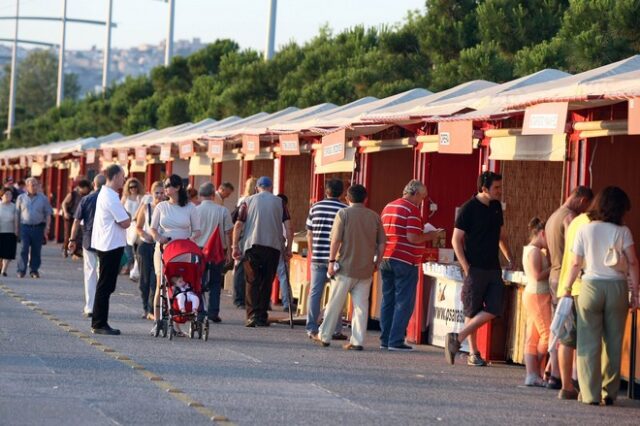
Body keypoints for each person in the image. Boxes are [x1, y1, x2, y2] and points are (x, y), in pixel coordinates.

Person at [562, 186, 639, 406]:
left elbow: (576, 263)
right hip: (616, 287)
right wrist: (634, 292)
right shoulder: (622, 231)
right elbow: (632, 262)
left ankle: (590, 394)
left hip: (590, 287)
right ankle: (609, 392)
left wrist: (567, 288)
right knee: (613, 342)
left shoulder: (584, 230)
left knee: (587, 342)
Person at [446, 171, 514, 366]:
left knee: (494, 308)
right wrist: (466, 266)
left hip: (493, 266)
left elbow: (502, 235)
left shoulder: (496, 207)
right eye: (497, 187)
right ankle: (473, 353)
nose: (500, 191)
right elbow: (456, 240)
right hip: (475, 267)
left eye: (500, 187)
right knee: (472, 310)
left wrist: (509, 257)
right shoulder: (468, 209)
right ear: (484, 189)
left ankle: (457, 338)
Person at [312, 185, 386, 350]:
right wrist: (377, 262)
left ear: (347, 198)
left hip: (345, 267)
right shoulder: (374, 216)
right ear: (365, 199)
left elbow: (336, 240)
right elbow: (382, 243)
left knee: (335, 303)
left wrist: (331, 261)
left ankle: (324, 336)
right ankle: (357, 340)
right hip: (366, 269)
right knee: (361, 306)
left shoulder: (343, 214)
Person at [379, 180, 444, 351]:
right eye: (422, 198)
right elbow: (413, 238)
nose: (421, 202)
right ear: (415, 194)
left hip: (386, 256)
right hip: (405, 260)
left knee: (388, 300)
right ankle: (396, 340)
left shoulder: (388, 207)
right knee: (404, 301)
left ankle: (385, 339)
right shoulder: (412, 210)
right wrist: (431, 235)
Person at [544, 186, 593, 389]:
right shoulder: (570, 218)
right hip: (567, 279)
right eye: (587, 206)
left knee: (559, 326)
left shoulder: (552, 217)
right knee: (568, 331)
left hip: (554, 276)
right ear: (582, 200)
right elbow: (576, 252)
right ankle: (564, 376)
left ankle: (552, 371)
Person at [232, 176, 292, 327]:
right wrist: (288, 249)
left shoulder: (248, 201)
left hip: (252, 246)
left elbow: (238, 224)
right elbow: (289, 227)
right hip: (273, 247)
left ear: (257, 187)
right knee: (266, 282)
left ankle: (252, 316)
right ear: (271, 188)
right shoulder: (280, 203)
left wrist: (234, 246)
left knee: (252, 281)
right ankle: (262, 315)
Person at [149, 174, 201, 333]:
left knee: (180, 284)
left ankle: (178, 322)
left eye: (168, 186)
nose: (165, 189)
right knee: (160, 284)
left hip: (183, 249)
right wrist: (159, 237)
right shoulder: (161, 206)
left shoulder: (190, 207)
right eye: (165, 186)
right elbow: (153, 228)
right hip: (164, 248)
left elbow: (197, 230)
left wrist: (189, 240)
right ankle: (158, 321)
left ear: (178, 187)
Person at [305, 178, 348, 339]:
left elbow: (309, 233)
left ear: (326, 190)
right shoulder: (344, 209)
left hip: (317, 256)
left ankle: (311, 327)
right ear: (342, 192)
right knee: (336, 294)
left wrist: (312, 252)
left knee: (315, 292)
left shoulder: (315, 208)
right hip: (337, 259)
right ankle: (335, 329)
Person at [90, 165, 131, 335]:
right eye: (122, 176)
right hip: (110, 245)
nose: (124, 179)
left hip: (108, 243)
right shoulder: (110, 197)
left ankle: (99, 321)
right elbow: (125, 222)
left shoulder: (108, 194)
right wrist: (127, 217)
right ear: (114, 177)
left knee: (106, 285)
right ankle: (99, 323)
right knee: (105, 286)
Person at [555, 212, 591, 400]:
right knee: (585, 340)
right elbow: (579, 261)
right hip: (581, 287)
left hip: (566, 286)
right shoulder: (591, 223)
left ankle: (566, 385)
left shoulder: (575, 221)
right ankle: (583, 386)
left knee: (567, 339)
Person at [69, 174, 107, 318]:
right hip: (105, 241)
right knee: (101, 273)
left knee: (90, 273)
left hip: (89, 239)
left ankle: (90, 306)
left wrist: (72, 240)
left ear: (93, 184)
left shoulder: (86, 199)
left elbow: (76, 222)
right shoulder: (110, 199)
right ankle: (100, 306)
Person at [195, 182, 233, 323]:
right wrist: (229, 251)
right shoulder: (222, 211)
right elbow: (228, 232)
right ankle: (213, 312)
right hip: (217, 250)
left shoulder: (195, 210)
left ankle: (199, 311)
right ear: (213, 195)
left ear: (200, 195)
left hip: (198, 250)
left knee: (198, 281)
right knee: (216, 282)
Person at [521, 218, 551, 387]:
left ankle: (532, 374)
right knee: (547, 334)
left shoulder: (532, 251)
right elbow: (537, 275)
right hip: (538, 294)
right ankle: (536, 369)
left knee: (533, 336)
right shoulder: (534, 252)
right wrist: (554, 267)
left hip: (535, 294)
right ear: (542, 234)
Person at [135, 181, 164, 320]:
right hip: (146, 246)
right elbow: (138, 226)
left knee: (155, 280)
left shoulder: (167, 208)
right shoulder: (146, 207)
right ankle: (145, 308)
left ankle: (153, 309)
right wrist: (144, 234)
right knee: (144, 280)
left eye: (162, 192)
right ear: (151, 194)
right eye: (156, 192)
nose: (159, 195)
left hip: (160, 247)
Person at [15, 177, 52, 279]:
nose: (34, 187)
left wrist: (47, 228)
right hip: (24, 227)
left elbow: (48, 214)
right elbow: (17, 214)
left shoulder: (43, 198)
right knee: (23, 249)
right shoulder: (21, 198)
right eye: (32, 185)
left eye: (36, 184)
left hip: (38, 227)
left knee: (36, 250)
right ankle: (21, 270)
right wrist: (16, 229)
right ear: (27, 186)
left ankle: (34, 270)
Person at [232, 176, 258, 308]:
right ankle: (239, 298)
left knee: (242, 268)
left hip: (244, 236)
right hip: (245, 237)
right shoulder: (246, 201)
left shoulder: (243, 199)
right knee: (242, 268)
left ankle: (240, 298)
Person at [61, 179, 91, 258]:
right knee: (68, 234)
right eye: (86, 188)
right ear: (82, 187)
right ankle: (65, 249)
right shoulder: (73, 194)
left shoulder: (86, 195)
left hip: (80, 217)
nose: (87, 190)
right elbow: (64, 203)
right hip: (70, 216)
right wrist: (66, 212)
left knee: (79, 234)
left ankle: (76, 251)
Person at [276, 194, 295, 312]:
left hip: (265, 244)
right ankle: (287, 302)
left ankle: (263, 302)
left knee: (265, 276)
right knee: (283, 275)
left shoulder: (269, 212)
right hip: (279, 244)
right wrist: (289, 247)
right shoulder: (283, 213)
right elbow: (289, 230)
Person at [121, 177, 143, 275]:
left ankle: (134, 265)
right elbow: (120, 209)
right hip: (127, 224)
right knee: (127, 245)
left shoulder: (140, 197)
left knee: (136, 245)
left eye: (135, 187)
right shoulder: (125, 198)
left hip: (137, 224)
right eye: (131, 187)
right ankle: (129, 263)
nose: (133, 189)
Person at [0, 188, 18, 277]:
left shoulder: (14, 207)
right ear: (1, 196)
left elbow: (16, 219)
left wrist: (17, 231)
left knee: (7, 253)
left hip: (10, 232)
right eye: (6, 194)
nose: (8, 196)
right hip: (0, 231)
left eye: (10, 195)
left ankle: (4, 270)